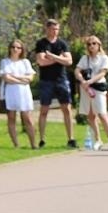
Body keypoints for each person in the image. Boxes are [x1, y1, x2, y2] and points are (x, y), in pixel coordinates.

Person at [32, 18, 75, 148]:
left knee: (66, 109)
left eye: (57, 29)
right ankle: (42, 140)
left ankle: (71, 139)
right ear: (47, 29)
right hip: (46, 81)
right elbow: (41, 62)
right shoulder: (41, 43)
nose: (55, 31)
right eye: (53, 29)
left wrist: (53, 56)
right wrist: (60, 58)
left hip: (61, 79)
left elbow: (69, 61)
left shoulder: (62, 44)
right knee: (44, 109)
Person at [74, 36, 108, 151]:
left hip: (98, 88)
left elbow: (103, 73)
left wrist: (90, 81)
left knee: (102, 114)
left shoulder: (104, 58)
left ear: (99, 45)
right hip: (86, 89)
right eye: (89, 44)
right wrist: (82, 81)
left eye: (94, 43)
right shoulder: (85, 58)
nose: (91, 46)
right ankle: (98, 139)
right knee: (91, 115)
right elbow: (77, 70)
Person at [0, 39, 37, 149]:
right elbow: (6, 78)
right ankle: (16, 144)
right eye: (13, 47)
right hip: (11, 91)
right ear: (10, 49)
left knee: (27, 117)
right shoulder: (5, 62)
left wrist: (15, 76)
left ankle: (33, 144)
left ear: (21, 50)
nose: (15, 49)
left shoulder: (25, 62)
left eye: (18, 47)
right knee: (11, 117)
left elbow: (30, 77)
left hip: (24, 92)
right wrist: (21, 79)